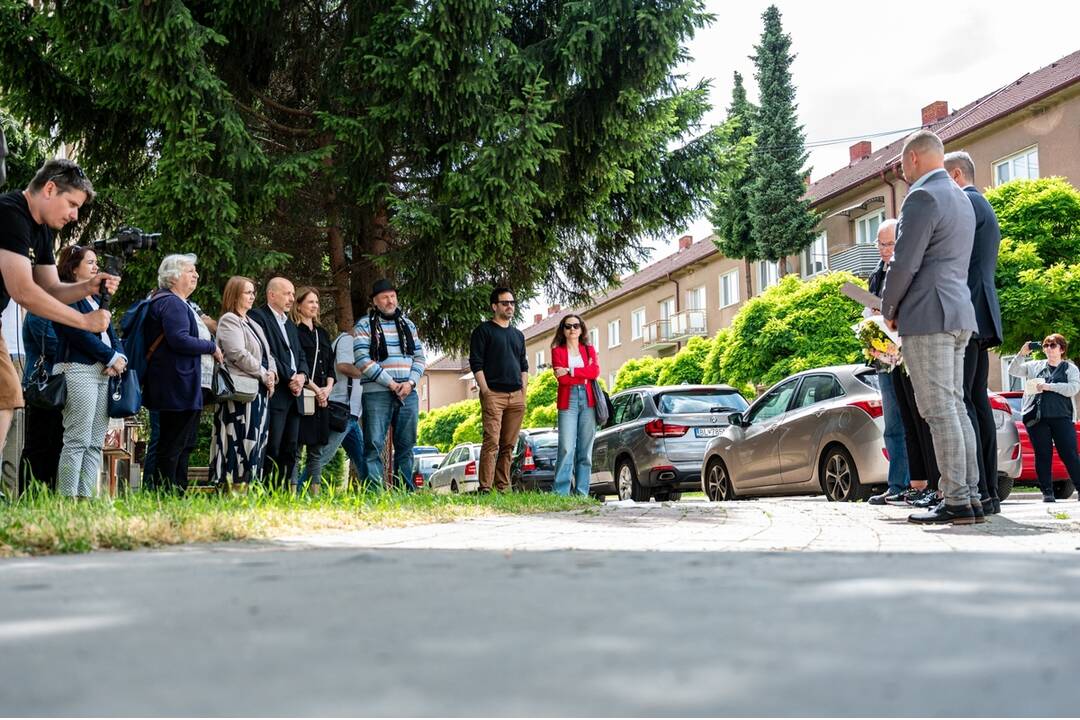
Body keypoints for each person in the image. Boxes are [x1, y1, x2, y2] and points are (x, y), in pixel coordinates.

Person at [880, 130, 981, 525]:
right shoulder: (962, 197)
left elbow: (904, 262)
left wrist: (888, 307)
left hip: (927, 315)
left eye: (902, 163)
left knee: (939, 411)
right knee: (955, 407)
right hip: (958, 312)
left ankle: (956, 499)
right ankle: (969, 495)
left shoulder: (922, 197)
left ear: (914, 159)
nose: (902, 171)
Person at [0, 159, 118, 464]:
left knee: (6, 397)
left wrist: (89, 287)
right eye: (72, 204)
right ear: (49, 189)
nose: (75, 215)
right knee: (6, 394)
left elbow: (51, 288)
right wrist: (84, 321)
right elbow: (24, 291)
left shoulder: (42, 231)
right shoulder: (11, 213)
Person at [945, 150, 1005, 515]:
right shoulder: (982, 202)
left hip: (968, 308)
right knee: (976, 401)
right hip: (981, 308)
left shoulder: (967, 202)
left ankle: (980, 489)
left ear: (954, 175)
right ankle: (988, 492)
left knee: (966, 401)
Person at [51, 246, 127, 499]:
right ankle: (67, 498)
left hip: (103, 373)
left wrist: (120, 357)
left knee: (95, 442)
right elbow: (78, 335)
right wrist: (110, 356)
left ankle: (86, 498)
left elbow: (111, 333)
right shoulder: (67, 297)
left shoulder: (97, 300)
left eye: (97, 263)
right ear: (73, 268)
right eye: (90, 263)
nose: (96, 267)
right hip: (78, 369)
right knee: (77, 439)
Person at [142, 254, 221, 492]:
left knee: (183, 442)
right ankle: (168, 491)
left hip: (183, 383)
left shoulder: (180, 303)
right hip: (175, 384)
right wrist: (212, 347)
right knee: (173, 443)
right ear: (174, 276)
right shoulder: (171, 302)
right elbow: (179, 340)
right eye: (190, 271)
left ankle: (177, 489)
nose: (196, 275)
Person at [355, 278, 426, 490]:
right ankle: (374, 492)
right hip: (377, 392)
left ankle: (404, 491)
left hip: (408, 393)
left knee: (406, 445)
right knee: (374, 445)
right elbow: (361, 360)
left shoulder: (408, 324)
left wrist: (411, 383)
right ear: (375, 302)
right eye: (385, 297)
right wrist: (392, 384)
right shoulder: (364, 325)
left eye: (393, 296)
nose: (390, 301)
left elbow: (420, 358)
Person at [209, 276, 277, 488]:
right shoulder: (230, 320)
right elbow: (237, 353)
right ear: (235, 294)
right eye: (247, 292)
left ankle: (248, 485)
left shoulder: (253, 323)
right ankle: (231, 485)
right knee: (237, 439)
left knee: (255, 440)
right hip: (239, 392)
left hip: (259, 391)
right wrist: (263, 373)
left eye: (253, 292)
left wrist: (272, 374)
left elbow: (269, 354)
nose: (252, 296)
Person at [865, 220, 914, 506]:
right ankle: (897, 484)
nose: (885, 250)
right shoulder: (876, 274)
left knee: (911, 422)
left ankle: (916, 484)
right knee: (892, 424)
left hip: (907, 354)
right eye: (881, 244)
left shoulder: (908, 271)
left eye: (890, 243)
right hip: (884, 358)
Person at [249, 278, 309, 487]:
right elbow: (267, 354)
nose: (292, 298)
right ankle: (267, 490)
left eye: (293, 294)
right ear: (271, 295)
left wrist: (302, 376)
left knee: (291, 447)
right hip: (275, 393)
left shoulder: (291, 325)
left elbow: (300, 354)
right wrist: (290, 376)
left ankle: (283, 492)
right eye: (287, 294)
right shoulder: (258, 317)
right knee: (272, 446)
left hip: (295, 394)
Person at [469, 287, 528, 494]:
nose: (509, 306)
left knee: (508, 445)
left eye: (512, 303)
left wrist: (524, 394)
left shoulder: (518, 335)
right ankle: (485, 487)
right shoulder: (483, 331)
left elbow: (523, 365)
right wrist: (485, 391)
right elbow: (476, 363)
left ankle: (503, 487)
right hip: (493, 394)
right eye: (505, 303)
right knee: (492, 442)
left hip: (516, 397)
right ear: (495, 306)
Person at [1009, 335, 1080, 502]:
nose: (1048, 348)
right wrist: (1021, 353)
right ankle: (1047, 493)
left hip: (1062, 417)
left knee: (1069, 453)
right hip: (1037, 418)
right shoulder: (1035, 366)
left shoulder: (1070, 368)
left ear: (1061, 349)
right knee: (1042, 454)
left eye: (1053, 345)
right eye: (1046, 345)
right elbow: (1013, 371)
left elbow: (1073, 388)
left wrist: (1049, 387)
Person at [298, 328, 365, 492]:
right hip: (341, 409)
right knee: (322, 457)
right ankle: (298, 491)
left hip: (351, 414)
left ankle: (376, 492)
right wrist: (369, 374)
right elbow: (343, 366)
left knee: (363, 458)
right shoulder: (347, 340)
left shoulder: (353, 341)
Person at [290, 287, 334, 495]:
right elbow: (297, 366)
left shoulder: (323, 334)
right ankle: (292, 494)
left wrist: (328, 389)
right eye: (310, 302)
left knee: (316, 450)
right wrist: (316, 390)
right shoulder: (293, 331)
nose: (315, 306)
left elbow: (331, 365)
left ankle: (314, 495)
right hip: (303, 395)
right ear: (298, 305)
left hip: (322, 397)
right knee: (297, 448)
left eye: (316, 302)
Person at [550, 314, 599, 496]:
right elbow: (561, 380)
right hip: (568, 400)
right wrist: (582, 374)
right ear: (563, 329)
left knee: (585, 450)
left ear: (581, 329)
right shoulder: (557, 351)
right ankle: (561, 493)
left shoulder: (589, 350)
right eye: (568, 326)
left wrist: (571, 370)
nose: (572, 329)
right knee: (566, 448)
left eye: (576, 326)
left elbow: (594, 372)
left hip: (588, 400)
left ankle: (582, 493)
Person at [19, 309, 62, 491]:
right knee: (39, 445)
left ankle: (47, 494)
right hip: (43, 387)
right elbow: (52, 345)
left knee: (53, 446)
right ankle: (31, 494)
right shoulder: (39, 311)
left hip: (55, 386)